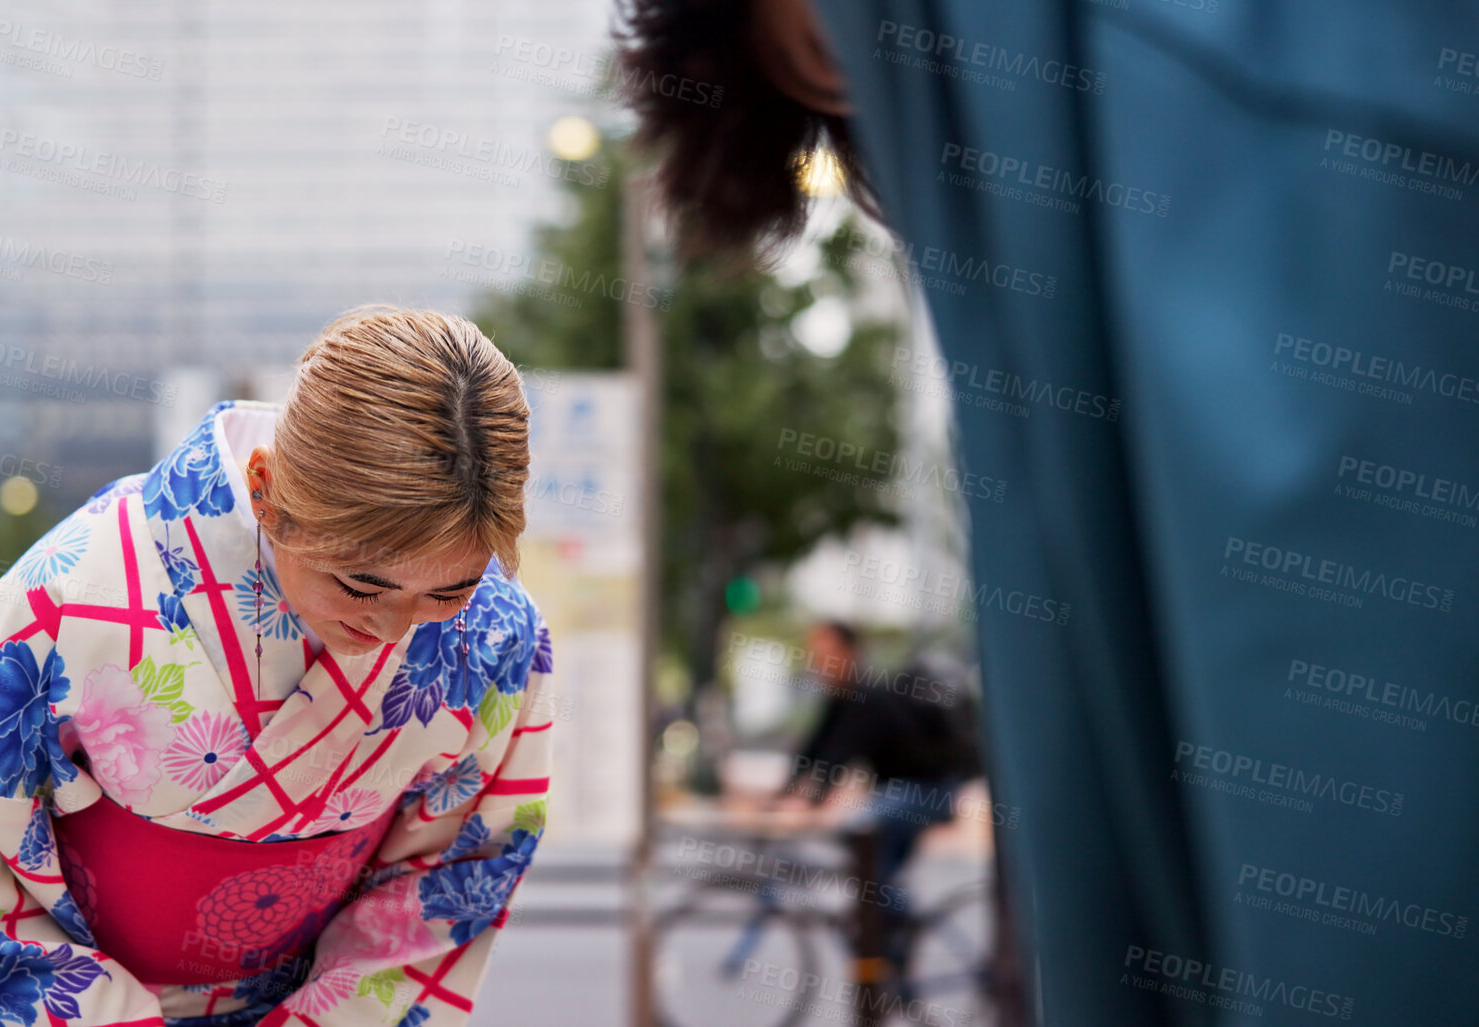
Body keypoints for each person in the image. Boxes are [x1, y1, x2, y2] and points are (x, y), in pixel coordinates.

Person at [622, 1, 1479, 1022]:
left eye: (834, 61)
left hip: (956, 806)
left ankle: (884, 941)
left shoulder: (1168, 102)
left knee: (893, 852)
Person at [0, 307, 555, 1027]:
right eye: (360, 583)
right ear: (265, 490)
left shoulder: (496, 636)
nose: (391, 626)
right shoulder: (77, 593)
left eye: (448, 590)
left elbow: (453, 877)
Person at [775, 624, 978, 966]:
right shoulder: (840, 699)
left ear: (849, 653)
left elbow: (836, 758)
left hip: (928, 792)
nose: (817, 662)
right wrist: (784, 793)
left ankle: (901, 919)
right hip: (903, 793)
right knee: (873, 878)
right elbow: (813, 753)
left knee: (856, 834)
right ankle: (891, 960)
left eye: (825, 652)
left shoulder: (866, 696)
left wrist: (808, 801)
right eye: (814, 654)